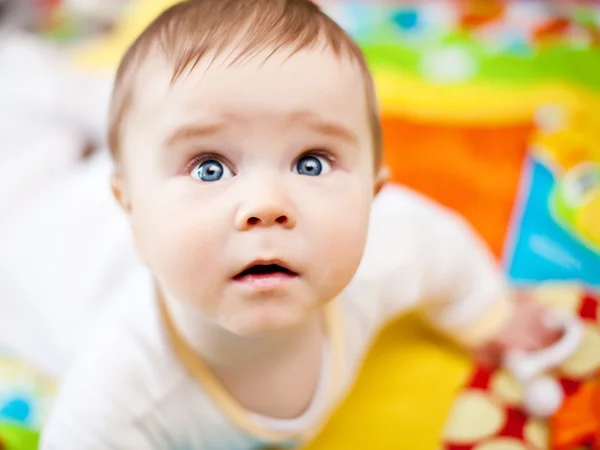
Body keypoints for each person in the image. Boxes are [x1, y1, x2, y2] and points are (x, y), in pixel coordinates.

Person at [41, 0, 559, 448]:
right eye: (210, 167)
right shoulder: (117, 394)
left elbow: (440, 249)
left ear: (372, 196)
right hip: (53, 242)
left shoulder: (389, 245)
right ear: (129, 209)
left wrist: (487, 315)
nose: (266, 205)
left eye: (311, 162)